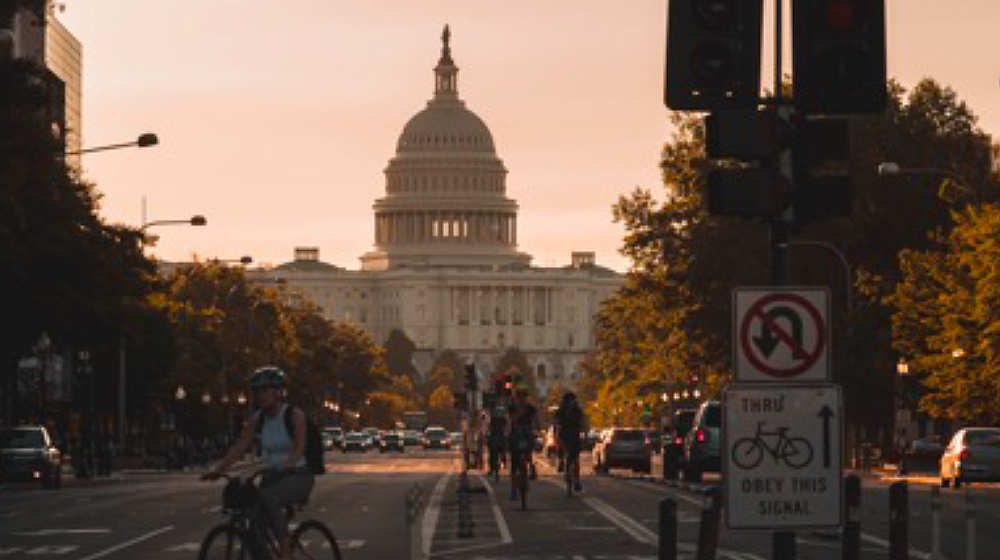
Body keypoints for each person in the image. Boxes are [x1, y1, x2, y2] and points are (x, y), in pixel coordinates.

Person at [202, 366, 314, 560]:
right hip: (271, 476)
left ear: (278, 391)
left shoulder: (293, 415)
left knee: (269, 496)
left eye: (265, 390)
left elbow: (299, 447)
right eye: (256, 391)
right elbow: (239, 447)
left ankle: (285, 546)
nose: (260, 395)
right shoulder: (257, 419)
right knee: (252, 521)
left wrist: (289, 461)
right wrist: (218, 469)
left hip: (298, 476)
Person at [506, 386, 539, 500]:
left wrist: (536, 429)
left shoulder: (531, 408)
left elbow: (536, 420)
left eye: (523, 397)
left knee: (529, 452)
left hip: (527, 434)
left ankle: (531, 466)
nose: (521, 400)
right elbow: (510, 421)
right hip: (516, 435)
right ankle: (513, 490)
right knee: (514, 465)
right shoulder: (512, 408)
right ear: (516, 398)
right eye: (519, 398)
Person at [553, 391, 587, 492]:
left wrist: (584, 434)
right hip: (564, 435)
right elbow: (556, 424)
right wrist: (556, 436)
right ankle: (561, 461)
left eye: (572, 400)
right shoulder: (560, 411)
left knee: (575, 459)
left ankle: (576, 480)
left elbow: (583, 422)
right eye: (569, 400)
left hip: (575, 435)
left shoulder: (578, 411)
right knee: (563, 452)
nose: (571, 402)